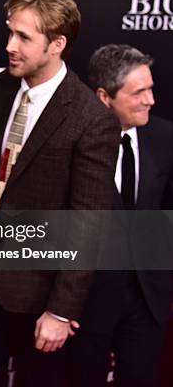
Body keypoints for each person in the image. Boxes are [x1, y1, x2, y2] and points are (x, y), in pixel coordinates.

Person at [0, 0, 120, 386]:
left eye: (23, 37)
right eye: (10, 33)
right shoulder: (4, 87)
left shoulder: (91, 119)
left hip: (39, 294)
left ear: (57, 44)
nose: (9, 46)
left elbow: (89, 224)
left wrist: (59, 311)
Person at [68, 44, 173, 386]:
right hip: (89, 302)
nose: (150, 100)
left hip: (147, 299)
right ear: (104, 96)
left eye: (151, 88)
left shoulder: (164, 137)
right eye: (139, 92)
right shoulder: (73, 141)